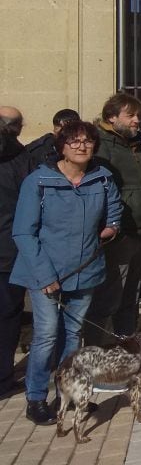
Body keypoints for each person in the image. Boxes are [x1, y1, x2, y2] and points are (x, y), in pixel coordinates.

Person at [11, 121, 121, 424]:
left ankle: (67, 394)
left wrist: (111, 227)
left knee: (73, 335)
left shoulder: (102, 178)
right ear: (62, 146)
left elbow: (115, 209)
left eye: (87, 141)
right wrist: (45, 276)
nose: (81, 146)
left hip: (84, 271)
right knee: (46, 335)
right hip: (44, 273)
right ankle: (35, 398)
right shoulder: (39, 182)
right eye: (74, 142)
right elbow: (23, 233)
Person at [85, 93, 141, 346]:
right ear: (111, 117)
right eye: (131, 115)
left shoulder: (136, 145)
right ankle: (98, 353)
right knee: (108, 297)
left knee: (131, 297)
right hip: (119, 235)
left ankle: (127, 352)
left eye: (139, 115)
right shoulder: (100, 146)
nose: (138, 120)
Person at [0, 107, 33, 399]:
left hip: (8, 249)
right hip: (9, 250)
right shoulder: (21, 158)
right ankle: (3, 378)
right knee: (8, 315)